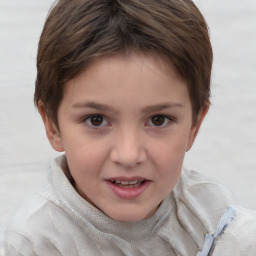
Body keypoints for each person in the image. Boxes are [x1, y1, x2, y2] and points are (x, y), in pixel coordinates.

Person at [4, 0, 256, 255]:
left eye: (158, 120)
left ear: (194, 126)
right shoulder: (37, 242)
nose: (128, 155)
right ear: (53, 126)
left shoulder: (217, 223)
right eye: (96, 120)